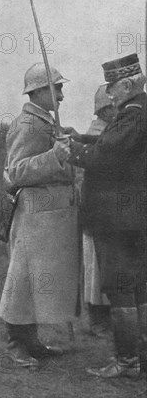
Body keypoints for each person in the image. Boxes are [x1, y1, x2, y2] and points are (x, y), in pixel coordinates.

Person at [67, 53, 147, 378]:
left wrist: (69, 150)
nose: (109, 94)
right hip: (135, 217)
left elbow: (106, 156)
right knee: (139, 286)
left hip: (116, 220)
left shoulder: (134, 116)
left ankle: (127, 362)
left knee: (120, 288)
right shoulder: (136, 114)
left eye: (112, 87)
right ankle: (139, 356)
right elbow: (109, 143)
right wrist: (79, 138)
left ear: (127, 84)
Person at [0, 63, 79, 368]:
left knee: (35, 283)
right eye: (56, 88)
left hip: (46, 218)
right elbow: (16, 171)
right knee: (22, 282)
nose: (61, 95)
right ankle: (16, 344)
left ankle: (31, 342)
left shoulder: (44, 122)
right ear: (40, 90)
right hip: (33, 216)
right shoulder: (28, 124)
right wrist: (54, 155)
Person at [81, 86, 115, 337]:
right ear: (105, 108)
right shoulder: (97, 132)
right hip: (97, 209)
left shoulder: (113, 131)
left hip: (112, 210)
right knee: (95, 267)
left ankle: (110, 317)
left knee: (109, 266)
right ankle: (97, 319)